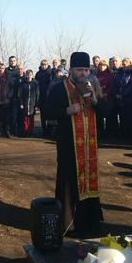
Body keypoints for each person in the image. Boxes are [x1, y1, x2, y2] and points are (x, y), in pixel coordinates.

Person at [45, 52, 106, 237]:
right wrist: (66, 110)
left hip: (90, 145)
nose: (83, 73)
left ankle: (91, 221)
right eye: (80, 70)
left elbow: (107, 110)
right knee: (68, 179)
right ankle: (68, 223)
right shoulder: (59, 88)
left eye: (87, 69)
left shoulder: (94, 85)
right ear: (71, 69)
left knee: (89, 179)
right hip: (68, 144)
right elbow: (47, 112)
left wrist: (95, 101)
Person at [113, 57, 132, 139]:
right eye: (123, 64)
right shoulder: (119, 72)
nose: (124, 66)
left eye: (126, 64)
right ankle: (123, 133)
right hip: (119, 98)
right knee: (122, 116)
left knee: (129, 116)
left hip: (129, 98)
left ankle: (130, 134)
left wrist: (123, 94)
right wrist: (116, 94)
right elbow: (115, 84)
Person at [95, 60, 114, 137]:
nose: (102, 67)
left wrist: (106, 94)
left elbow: (112, 86)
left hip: (108, 98)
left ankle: (109, 133)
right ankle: (100, 132)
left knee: (109, 116)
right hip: (98, 98)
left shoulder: (110, 75)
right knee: (99, 117)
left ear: (107, 66)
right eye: (100, 65)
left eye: (104, 65)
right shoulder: (96, 75)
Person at [18, 69, 40, 137]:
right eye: (27, 74)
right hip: (24, 103)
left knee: (31, 119)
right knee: (25, 119)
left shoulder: (35, 83)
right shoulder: (22, 83)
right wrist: (21, 103)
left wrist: (36, 104)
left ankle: (31, 132)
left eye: (30, 75)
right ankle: (25, 131)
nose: (29, 76)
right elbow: (20, 94)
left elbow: (37, 94)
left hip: (32, 104)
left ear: (32, 75)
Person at [35, 59, 52, 137]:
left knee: (49, 115)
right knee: (42, 115)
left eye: (45, 64)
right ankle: (44, 130)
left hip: (49, 96)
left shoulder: (50, 73)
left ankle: (49, 131)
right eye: (42, 64)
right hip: (41, 97)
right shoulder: (38, 74)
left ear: (47, 64)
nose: (43, 66)